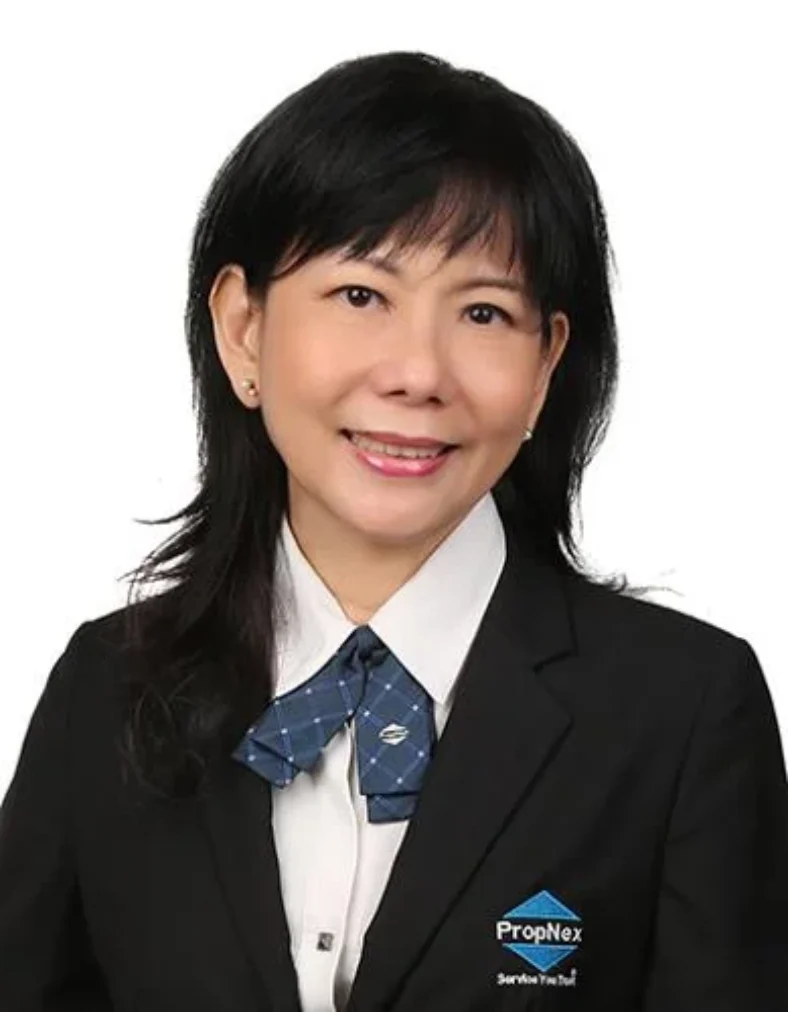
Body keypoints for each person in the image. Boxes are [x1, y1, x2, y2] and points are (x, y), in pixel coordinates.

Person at [1, 49, 786, 1012]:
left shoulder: (683, 712)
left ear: (546, 365)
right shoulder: (105, 689)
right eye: (361, 295)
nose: (418, 372)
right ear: (244, 329)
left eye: (484, 312)